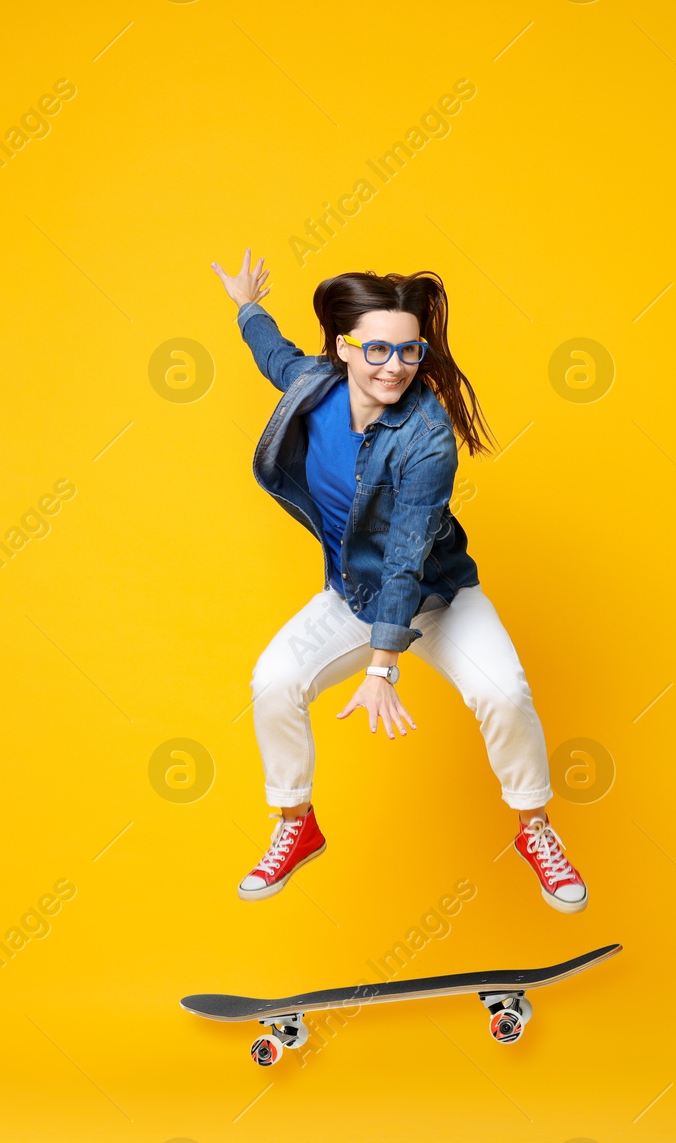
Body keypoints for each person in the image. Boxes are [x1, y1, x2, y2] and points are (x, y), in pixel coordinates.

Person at [209, 249, 589, 914]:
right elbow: (273, 352)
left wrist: (382, 668)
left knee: (505, 693)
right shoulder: (312, 383)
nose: (395, 367)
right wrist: (247, 306)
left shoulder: (426, 436)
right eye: (378, 350)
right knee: (272, 681)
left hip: (438, 598)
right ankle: (296, 822)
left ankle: (537, 830)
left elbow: (407, 556)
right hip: (355, 596)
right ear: (343, 347)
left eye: (409, 353)